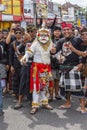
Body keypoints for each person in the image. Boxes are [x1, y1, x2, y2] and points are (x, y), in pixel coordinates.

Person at [51, 22, 87, 114]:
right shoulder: (61, 41)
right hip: (64, 67)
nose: (66, 31)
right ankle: (67, 103)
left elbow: (84, 54)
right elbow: (55, 52)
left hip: (75, 66)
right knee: (66, 87)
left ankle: (83, 107)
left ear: (71, 30)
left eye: (68, 29)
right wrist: (53, 51)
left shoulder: (78, 40)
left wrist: (81, 64)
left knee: (78, 88)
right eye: (64, 30)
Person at [21, 26, 54, 114]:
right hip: (37, 69)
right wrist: (24, 58)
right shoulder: (35, 44)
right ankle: (35, 105)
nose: (43, 37)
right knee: (36, 87)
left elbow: (55, 54)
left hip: (46, 68)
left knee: (45, 86)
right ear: (38, 35)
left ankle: (44, 103)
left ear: (48, 36)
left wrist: (60, 57)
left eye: (45, 35)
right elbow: (28, 53)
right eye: (41, 35)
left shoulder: (50, 43)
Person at [49, 26, 63, 101]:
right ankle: (51, 95)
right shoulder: (49, 40)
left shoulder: (63, 40)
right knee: (51, 80)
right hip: (51, 62)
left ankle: (57, 94)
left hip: (60, 63)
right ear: (53, 32)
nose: (57, 32)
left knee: (58, 79)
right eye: (56, 31)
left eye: (59, 31)